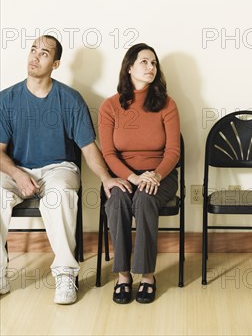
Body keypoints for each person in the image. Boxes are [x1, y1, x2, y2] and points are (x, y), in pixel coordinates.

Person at [0, 35, 128, 304]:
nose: (35, 56)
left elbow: (88, 147)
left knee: (60, 194)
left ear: (56, 64)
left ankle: (65, 275)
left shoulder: (70, 99)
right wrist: (17, 174)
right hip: (17, 169)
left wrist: (106, 178)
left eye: (44, 53)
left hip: (59, 167)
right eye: (33, 49)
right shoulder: (7, 99)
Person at [98, 43, 180, 304]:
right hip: (123, 175)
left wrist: (154, 175)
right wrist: (132, 178)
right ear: (130, 67)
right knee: (118, 200)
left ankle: (147, 275)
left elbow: (173, 151)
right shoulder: (110, 106)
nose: (151, 67)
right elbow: (109, 154)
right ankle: (123, 275)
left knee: (144, 199)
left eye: (154, 63)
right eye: (144, 62)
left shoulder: (167, 104)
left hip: (161, 176)